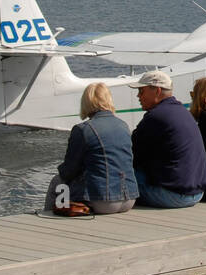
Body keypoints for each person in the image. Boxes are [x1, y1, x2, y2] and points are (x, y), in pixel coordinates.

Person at [44, 82, 138, 215]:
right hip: (129, 199)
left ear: (86, 102)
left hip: (103, 202)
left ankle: (49, 216)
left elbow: (69, 171)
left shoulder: (83, 130)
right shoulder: (123, 125)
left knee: (58, 181)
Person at [129, 71, 206, 208]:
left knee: (118, 178)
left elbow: (131, 154)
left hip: (173, 195)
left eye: (141, 91)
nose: (138, 96)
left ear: (158, 91)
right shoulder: (183, 112)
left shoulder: (156, 117)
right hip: (197, 193)